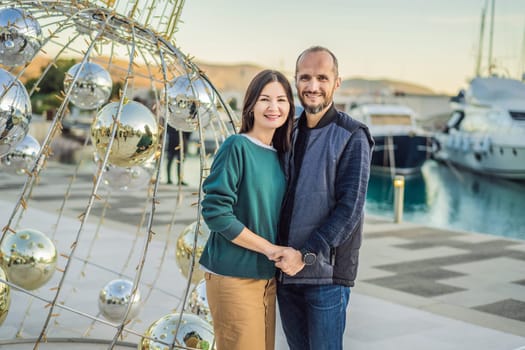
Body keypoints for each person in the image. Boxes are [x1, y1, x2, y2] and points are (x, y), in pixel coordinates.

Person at [273, 46, 374, 350]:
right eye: (305, 78)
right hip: (286, 275)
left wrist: (304, 256)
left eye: (322, 77)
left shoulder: (353, 135)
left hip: (326, 279)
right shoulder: (286, 130)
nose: (313, 86)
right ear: (295, 81)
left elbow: (349, 210)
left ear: (336, 82)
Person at [198, 69, 295, 350]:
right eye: (265, 99)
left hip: (267, 279)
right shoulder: (236, 146)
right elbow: (215, 212)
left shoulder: (280, 156)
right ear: (251, 105)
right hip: (233, 276)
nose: (274, 107)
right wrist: (268, 248)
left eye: (281, 100)